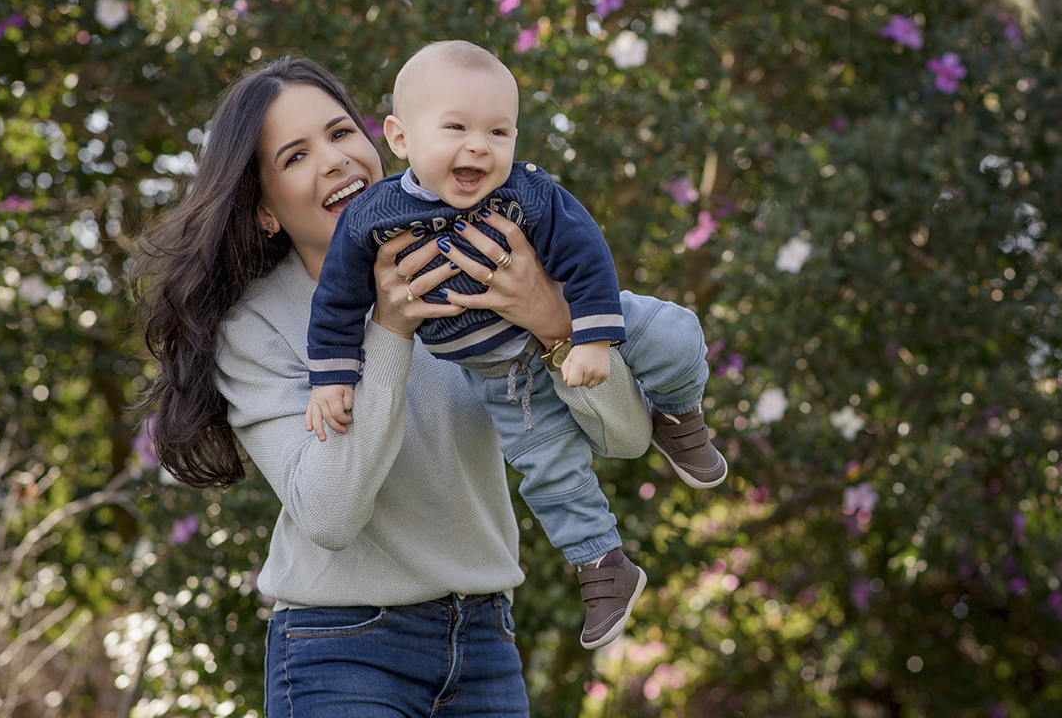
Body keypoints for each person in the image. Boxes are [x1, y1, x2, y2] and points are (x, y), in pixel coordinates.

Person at [130, 55, 674, 715]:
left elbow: (622, 437)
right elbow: (330, 515)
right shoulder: (257, 330)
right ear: (264, 210)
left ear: (387, 139)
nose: (333, 160)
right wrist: (388, 328)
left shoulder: (489, 261)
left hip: (485, 643)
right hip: (341, 649)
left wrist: (551, 320)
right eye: (295, 156)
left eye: (339, 133)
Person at [304, 41, 727, 650]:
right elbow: (339, 301)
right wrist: (332, 379)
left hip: (578, 318)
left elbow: (586, 254)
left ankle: (682, 416)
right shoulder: (374, 217)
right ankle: (603, 566)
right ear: (400, 139)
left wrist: (591, 335)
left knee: (674, 331)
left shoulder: (525, 194)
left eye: (498, 132)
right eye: (455, 127)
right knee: (549, 469)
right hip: (500, 372)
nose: (479, 145)